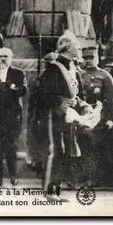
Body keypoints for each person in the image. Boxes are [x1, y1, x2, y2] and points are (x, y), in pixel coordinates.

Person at [38, 31, 87, 202]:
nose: (80, 49)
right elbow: (41, 92)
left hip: (68, 117)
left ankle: (55, 191)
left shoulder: (73, 67)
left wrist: (83, 104)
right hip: (54, 116)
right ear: (67, 48)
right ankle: (48, 191)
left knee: (65, 151)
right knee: (56, 151)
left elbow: (75, 94)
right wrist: (59, 104)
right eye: (77, 47)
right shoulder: (54, 68)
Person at [0, 47, 27, 187]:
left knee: (11, 148)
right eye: (0, 56)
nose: (3, 59)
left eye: (6, 56)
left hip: (11, 117)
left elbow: (23, 90)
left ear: (11, 58)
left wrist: (9, 89)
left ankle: (14, 176)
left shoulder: (18, 73)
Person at [80, 46, 113, 187]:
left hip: (99, 117)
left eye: (91, 57)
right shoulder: (80, 74)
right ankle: (82, 177)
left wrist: (109, 119)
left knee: (94, 146)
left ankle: (93, 179)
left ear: (97, 57)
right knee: (82, 145)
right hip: (83, 115)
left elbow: (110, 99)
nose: (88, 61)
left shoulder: (105, 76)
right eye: (85, 58)